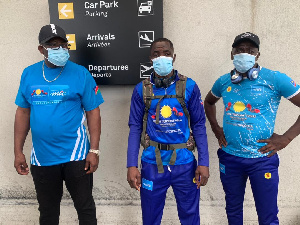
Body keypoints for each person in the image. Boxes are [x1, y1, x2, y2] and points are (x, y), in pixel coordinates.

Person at [204, 32, 300, 225]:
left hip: (262, 160)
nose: (244, 53)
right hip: (230, 158)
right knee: (232, 209)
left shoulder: (275, 79)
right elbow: (208, 102)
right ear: (232, 54)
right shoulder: (224, 81)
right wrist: (216, 128)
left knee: (268, 214)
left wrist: (286, 138)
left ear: (257, 55)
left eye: (250, 50)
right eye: (240, 50)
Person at [14, 24, 104, 225]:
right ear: (41, 49)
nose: (60, 50)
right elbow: (23, 111)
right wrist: (18, 151)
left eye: (63, 45)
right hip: (42, 156)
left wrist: (94, 150)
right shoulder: (29, 74)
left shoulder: (81, 74)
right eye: (53, 45)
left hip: (77, 155)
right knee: (47, 212)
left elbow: (93, 112)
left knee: (85, 207)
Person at [126, 38, 209, 225]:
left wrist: (204, 162)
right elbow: (135, 128)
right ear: (150, 59)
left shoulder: (189, 87)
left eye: (166, 53)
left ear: (174, 56)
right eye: (156, 54)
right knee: (150, 217)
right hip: (152, 163)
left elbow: (199, 125)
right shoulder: (142, 90)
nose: (161, 57)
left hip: (185, 164)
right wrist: (131, 165)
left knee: (190, 216)